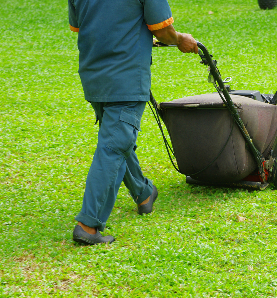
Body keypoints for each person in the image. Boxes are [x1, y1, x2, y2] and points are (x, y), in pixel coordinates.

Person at [68, 0, 198, 245]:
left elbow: (80, 26)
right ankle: (88, 224)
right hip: (125, 78)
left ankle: (144, 193)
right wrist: (180, 39)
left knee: (117, 139)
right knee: (114, 146)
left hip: (93, 77)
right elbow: (162, 31)